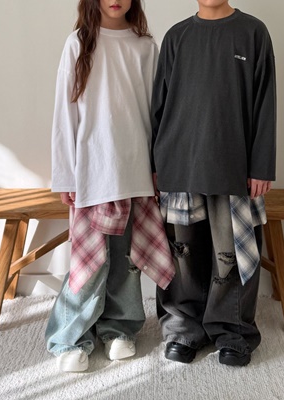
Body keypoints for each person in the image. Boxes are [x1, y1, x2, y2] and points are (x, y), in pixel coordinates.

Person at [46, 0, 174, 373]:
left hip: (135, 169)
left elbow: (156, 112)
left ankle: (119, 329)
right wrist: (65, 174)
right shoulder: (78, 43)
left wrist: (156, 167)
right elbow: (64, 112)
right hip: (92, 170)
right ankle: (70, 337)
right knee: (89, 261)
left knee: (126, 259)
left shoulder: (145, 47)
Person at [151, 0, 276, 367]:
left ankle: (232, 331)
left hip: (234, 165)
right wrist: (155, 164)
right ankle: (183, 329)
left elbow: (265, 101)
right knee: (183, 254)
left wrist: (262, 165)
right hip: (179, 162)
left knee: (231, 252)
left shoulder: (253, 32)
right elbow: (159, 102)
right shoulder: (176, 37)